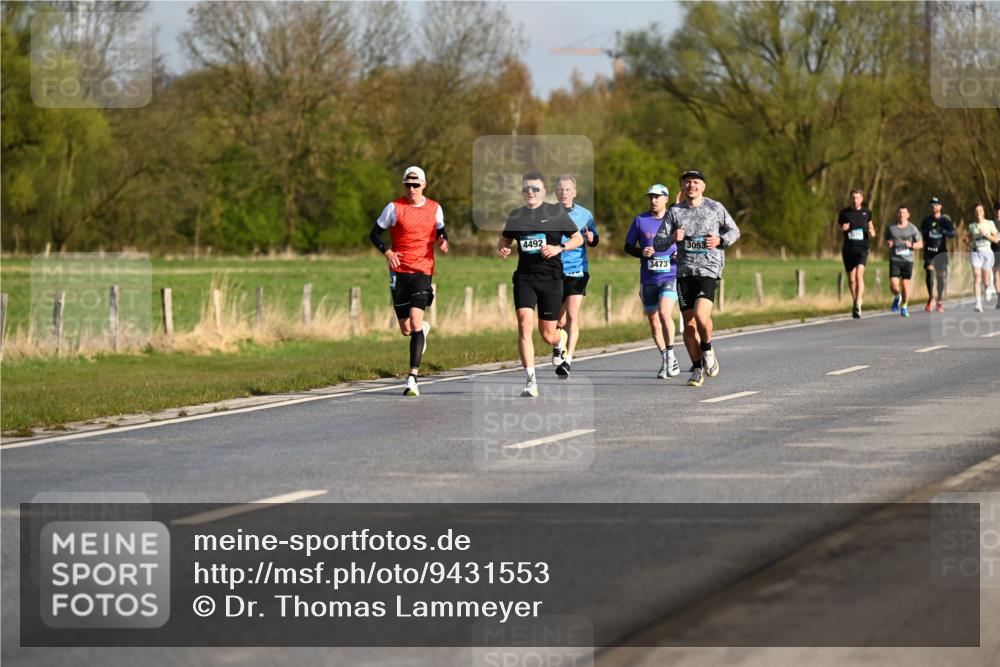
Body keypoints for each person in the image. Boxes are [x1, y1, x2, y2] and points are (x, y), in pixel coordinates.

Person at [497, 172, 584, 397]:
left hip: (551, 279)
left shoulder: (556, 213)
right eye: (527, 188)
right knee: (524, 323)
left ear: (544, 191)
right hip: (525, 278)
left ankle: (560, 340)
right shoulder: (516, 216)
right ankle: (530, 380)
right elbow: (505, 238)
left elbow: (578, 238)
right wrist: (503, 247)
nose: (531, 192)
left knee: (547, 334)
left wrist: (559, 248)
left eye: (535, 188)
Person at [653, 170, 740, 387]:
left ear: (703, 187)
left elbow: (734, 231)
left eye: (695, 182)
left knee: (701, 316)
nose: (691, 185)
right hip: (684, 272)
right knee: (689, 325)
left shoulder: (715, 207)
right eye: (687, 182)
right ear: (682, 187)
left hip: (708, 269)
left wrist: (719, 240)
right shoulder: (674, 212)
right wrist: (672, 238)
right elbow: (657, 243)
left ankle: (707, 348)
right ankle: (697, 368)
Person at [369, 166, 448, 396]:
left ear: (424, 185)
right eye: (407, 185)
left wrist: (443, 241)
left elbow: (441, 230)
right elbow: (374, 234)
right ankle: (422, 330)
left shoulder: (435, 208)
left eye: (415, 185)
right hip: (399, 271)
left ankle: (412, 378)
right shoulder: (394, 208)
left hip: (423, 270)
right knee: (406, 329)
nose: (411, 189)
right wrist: (387, 252)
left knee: (414, 321)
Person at [624, 184, 680, 379]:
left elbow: (685, 243)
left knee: (664, 313)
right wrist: (641, 252)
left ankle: (671, 355)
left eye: (657, 197)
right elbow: (628, 246)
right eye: (651, 197)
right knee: (654, 323)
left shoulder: (674, 220)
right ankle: (666, 359)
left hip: (670, 275)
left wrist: (680, 254)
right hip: (648, 278)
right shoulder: (640, 220)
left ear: (666, 199)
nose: (653, 200)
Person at [551, 175, 599, 378]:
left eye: (568, 189)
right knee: (558, 321)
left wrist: (591, 238)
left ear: (575, 192)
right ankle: (559, 342)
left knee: (572, 315)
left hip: (577, 269)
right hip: (554, 270)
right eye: (561, 189)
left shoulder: (585, 214)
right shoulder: (547, 213)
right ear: (556, 192)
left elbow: (594, 239)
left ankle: (568, 361)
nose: (564, 193)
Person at [838, 189, 876, 319]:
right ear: (850, 198)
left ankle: (858, 303)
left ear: (862, 199)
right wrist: (843, 228)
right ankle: (855, 301)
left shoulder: (867, 212)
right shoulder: (844, 213)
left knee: (859, 275)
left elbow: (871, 226)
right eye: (853, 198)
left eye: (857, 198)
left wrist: (872, 231)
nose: (855, 200)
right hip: (848, 249)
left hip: (862, 248)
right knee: (851, 279)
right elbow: (839, 226)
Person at [884, 205, 923, 318]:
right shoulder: (891, 228)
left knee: (905, 286)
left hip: (908, 261)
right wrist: (888, 243)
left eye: (904, 213)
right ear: (897, 214)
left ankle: (904, 306)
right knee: (894, 285)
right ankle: (897, 296)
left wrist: (911, 245)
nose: (901, 215)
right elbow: (886, 239)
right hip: (895, 259)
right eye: (899, 213)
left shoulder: (912, 228)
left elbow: (920, 244)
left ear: (908, 215)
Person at [919, 196, 956, 313]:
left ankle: (939, 300)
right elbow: (922, 234)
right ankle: (931, 298)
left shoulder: (945, 220)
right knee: (929, 273)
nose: (934, 206)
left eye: (936, 204)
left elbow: (953, 234)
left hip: (941, 252)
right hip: (930, 251)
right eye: (932, 205)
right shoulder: (926, 221)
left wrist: (943, 231)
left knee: (940, 276)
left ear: (940, 206)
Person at [967, 204, 999, 312]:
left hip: (987, 253)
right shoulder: (972, 226)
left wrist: (986, 235)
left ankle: (987, 287)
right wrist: (967, 239)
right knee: (977, 277)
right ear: (974, 213)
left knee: (986, 280)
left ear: (983, 212)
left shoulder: (989, 224)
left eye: (980, 211)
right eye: (976, 211)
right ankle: (978, 304)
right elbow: (969, 237)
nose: (978, 213)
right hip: (976, 253)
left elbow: (996, 239)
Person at [992, 201, 1000, 308]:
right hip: (995, 252)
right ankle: (999, 298)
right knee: (996, 275)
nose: (998, 212)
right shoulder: (991, 223)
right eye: (997, 210)